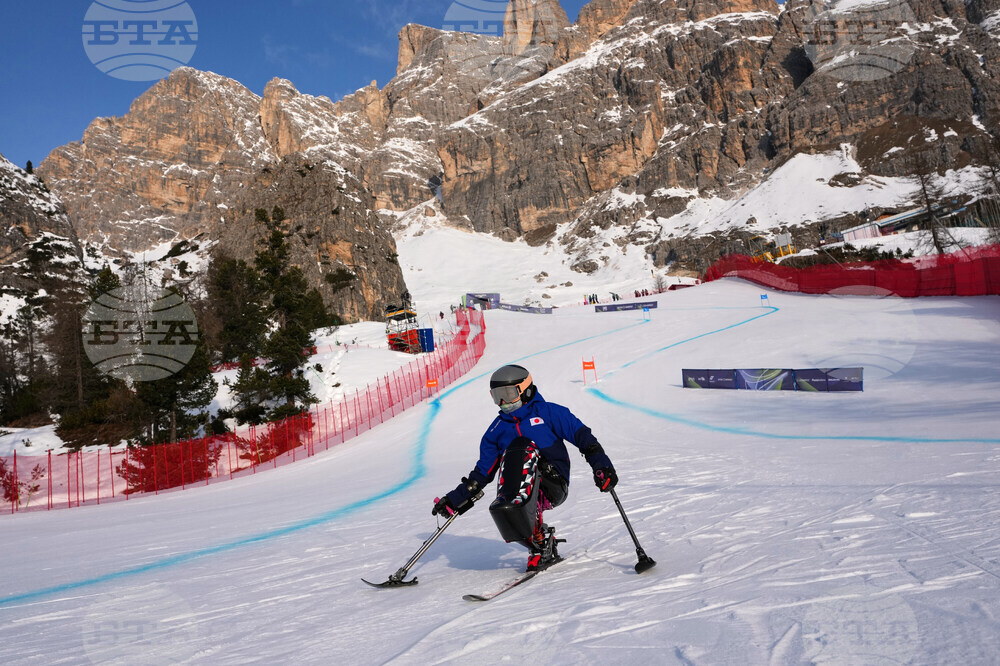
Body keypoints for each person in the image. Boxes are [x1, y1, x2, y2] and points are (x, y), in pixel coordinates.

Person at [432, 364, 618, 572]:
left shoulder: (550, 413)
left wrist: (601, 466)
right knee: (504, 500)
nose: (503, 402)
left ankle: (536, 535)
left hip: (552, 482)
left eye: (508, 394)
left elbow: (584, 438)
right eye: (497, 396)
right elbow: (482, 474)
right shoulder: (496, 431)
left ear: (526, 390)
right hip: (515, 489)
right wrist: (456, 499)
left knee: (521, 446)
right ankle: (538, 542)